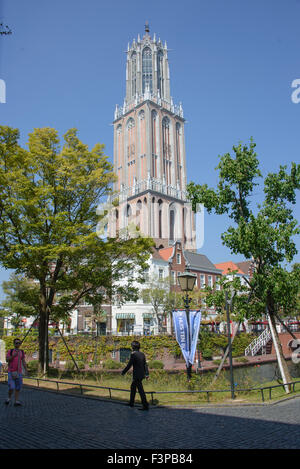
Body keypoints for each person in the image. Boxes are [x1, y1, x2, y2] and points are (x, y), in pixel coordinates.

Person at [121, 340, 149, 411]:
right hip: (141, 374)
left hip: (136, 375)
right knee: (133, 387)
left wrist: (123, 372)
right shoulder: (142, 354)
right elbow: (145, 365)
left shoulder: (133, 355)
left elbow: (129, 365)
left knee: (140, 390)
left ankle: (145, 405)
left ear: (133, 347)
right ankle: (131, 402)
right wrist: (146, 373)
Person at [5, 338, 27, 406]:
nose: (17, 344)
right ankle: (9, 398)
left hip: (19, 372)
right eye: (16, 343)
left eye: (19, 343)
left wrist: (26, 369)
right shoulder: (10, 351)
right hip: (11, 371)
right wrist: (14, 355)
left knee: (18, 387)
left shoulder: (22, 352)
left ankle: (16, 401)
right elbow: (7, 360)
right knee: (11, 387)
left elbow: (23, 361)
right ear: (14, 344)